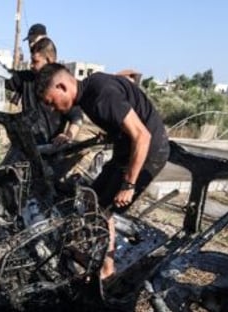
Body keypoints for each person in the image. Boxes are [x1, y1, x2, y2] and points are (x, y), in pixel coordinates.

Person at [35, 62, 169, 210]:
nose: (53, 109)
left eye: (52, 102)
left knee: (107, 210)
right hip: (125, 149)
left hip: (149, 151)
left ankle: (108, 227)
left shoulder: (101, 95)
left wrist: (129, 185)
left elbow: (142, 136)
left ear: (61, 87)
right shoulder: (88, 94)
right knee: (93, 201)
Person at [6, 38, 83, 148]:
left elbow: (76, 117)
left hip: (50, 152)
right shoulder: (26, 79)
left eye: (35, 61)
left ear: (49, 60)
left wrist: (67, 136)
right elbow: (2, 76)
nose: (31, 65)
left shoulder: (61, 87)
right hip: (27, 149)